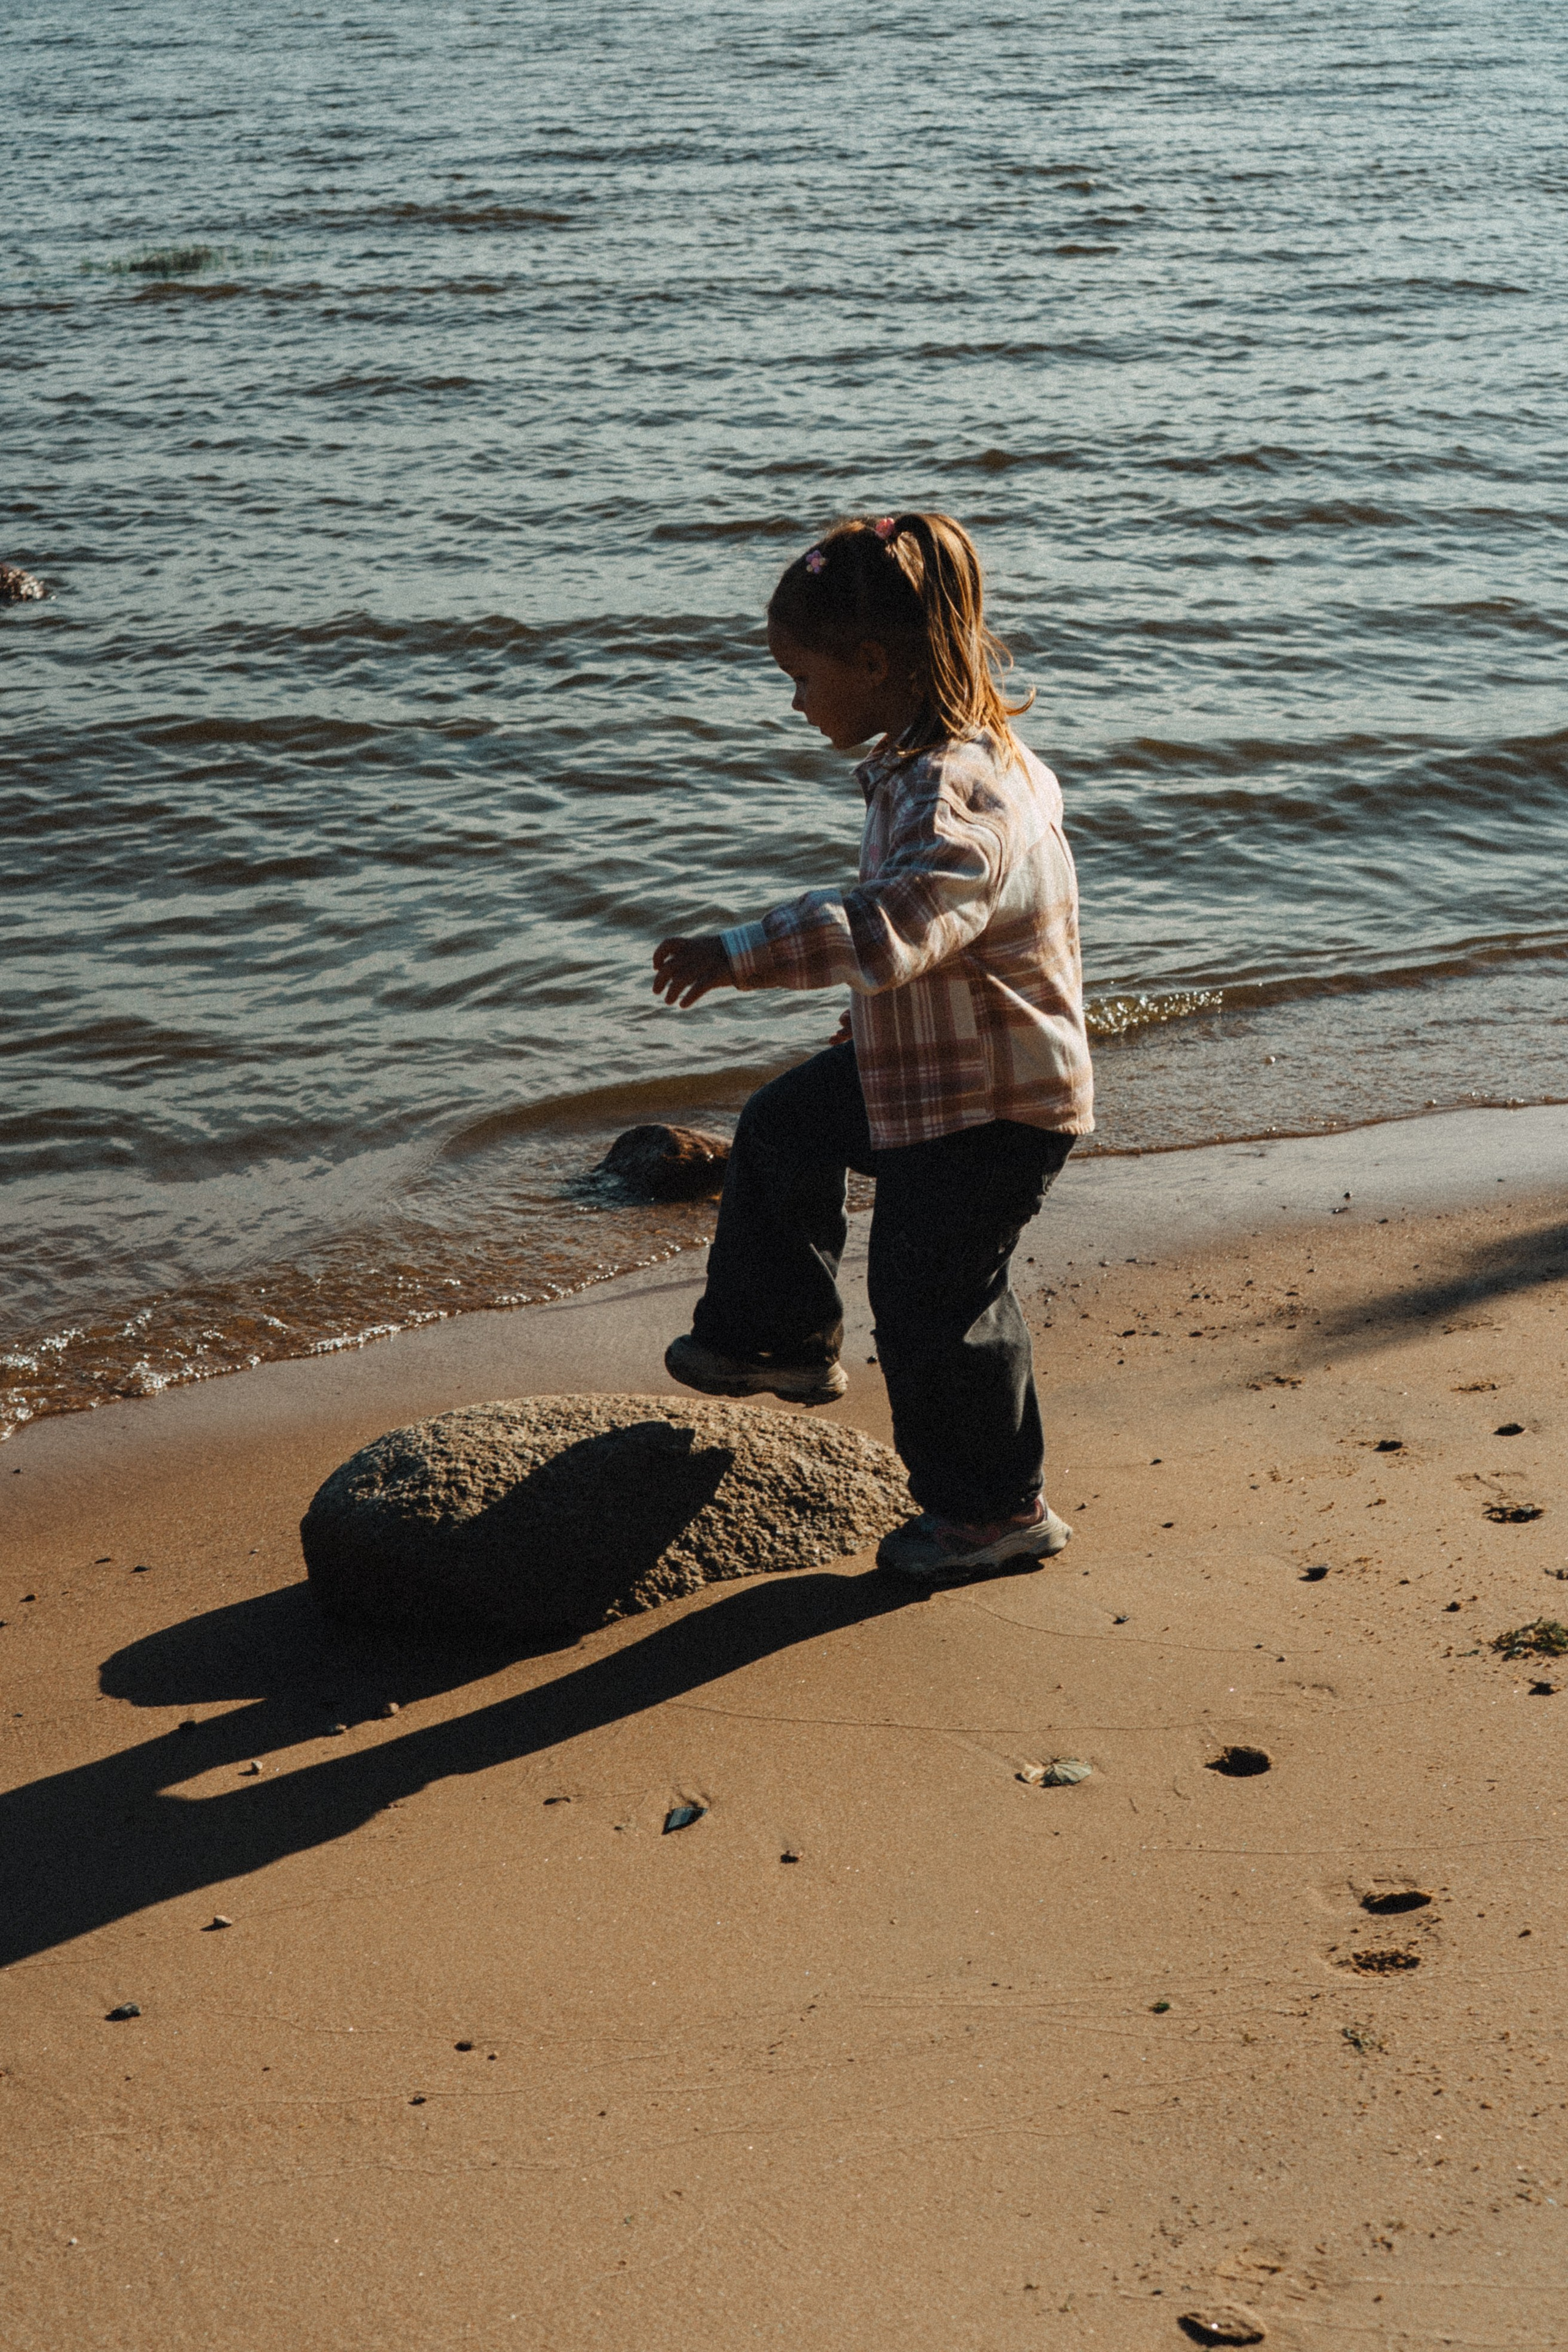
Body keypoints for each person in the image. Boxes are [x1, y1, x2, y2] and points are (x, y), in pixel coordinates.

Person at [651, 511, 1094, 1583]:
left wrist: (739, 952)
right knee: (783, 1126)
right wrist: (863, 1023)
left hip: (990, 1102)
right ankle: (782, 1338)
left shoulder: (958, 793)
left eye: (800, 678)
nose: (793, 701)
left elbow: (891, 927)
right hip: (927, 1065)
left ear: (872, 661)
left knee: (937, 1301)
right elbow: (933, 953)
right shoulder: (934, 763)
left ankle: (995, 1511)